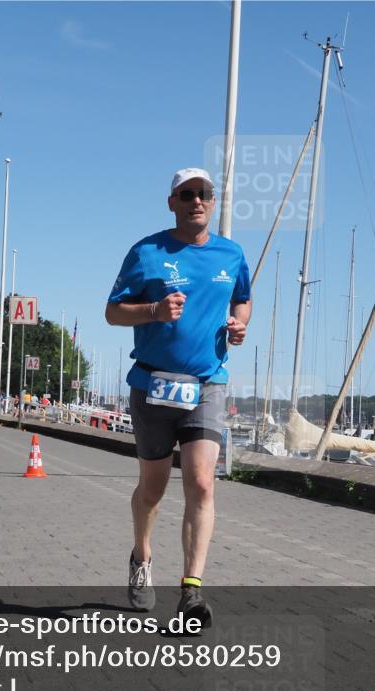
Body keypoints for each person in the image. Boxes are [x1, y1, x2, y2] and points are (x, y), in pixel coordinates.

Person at [105, 167, 251, 627]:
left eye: (204, 193)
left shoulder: (231, 254)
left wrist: (240, 324)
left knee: (202, 482)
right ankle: (141, 556)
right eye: (187, 195)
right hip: (152, 383)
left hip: (207, 383)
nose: (197, 201)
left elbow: (242, 298)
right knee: (152, 489)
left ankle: (191, 591)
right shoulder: (146, 252)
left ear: (214, 201)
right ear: (172, 202)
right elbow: (112, 313)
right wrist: (153, 310)